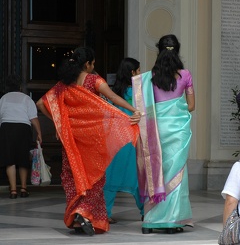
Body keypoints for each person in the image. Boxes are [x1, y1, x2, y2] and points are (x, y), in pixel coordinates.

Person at [36, 46, 141, 236]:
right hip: (93, 140)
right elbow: (113, 98)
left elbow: (40, 104)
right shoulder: (94, 80)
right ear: (88, 64)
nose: (94, 66)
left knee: (73, 178)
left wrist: (59, 124)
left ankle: (78, 219)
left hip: (71, 140)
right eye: (93, 63)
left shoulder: (64, 84)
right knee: (95, 178)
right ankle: (83, 213)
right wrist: (133, 111)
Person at [133, 34, 195, 234]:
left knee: (155, 172)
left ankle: (151, 221)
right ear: (177, 50)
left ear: (159, 50)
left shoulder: (148, 77)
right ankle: (171, 221)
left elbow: (142, 105)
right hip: (177, 131)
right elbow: (192, 106)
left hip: (155, 131)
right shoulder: (185, 75)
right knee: (175, 174)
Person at [104, 57, 144, 224]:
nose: (140, 73)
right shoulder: (137, 93)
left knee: (112, 175)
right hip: (132, 139)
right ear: (133, 72)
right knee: (136, 176)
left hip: (115, 139)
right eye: (139, 70)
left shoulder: (113, 93)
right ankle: (145, 211)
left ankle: (105, 213)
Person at [0, 74, 42, 199]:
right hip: (23, 129)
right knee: (23, 159)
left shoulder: (3, 99)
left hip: (7, 128)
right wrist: (39, 133)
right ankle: (24, 188)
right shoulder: (26, 99)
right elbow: (33, 118)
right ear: (20, 86)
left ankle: (13, 190)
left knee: (10, 160)